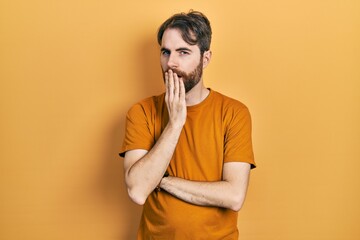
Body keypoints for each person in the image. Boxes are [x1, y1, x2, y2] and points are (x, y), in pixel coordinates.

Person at [120, 10, 256, 240]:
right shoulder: (141, 112)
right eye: (166, 52)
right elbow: (138, 190)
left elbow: (234, 196)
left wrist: (163, 181)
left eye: (183, 52)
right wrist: (175, 124)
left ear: (205, 58)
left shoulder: (234, 113)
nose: (171, 63)